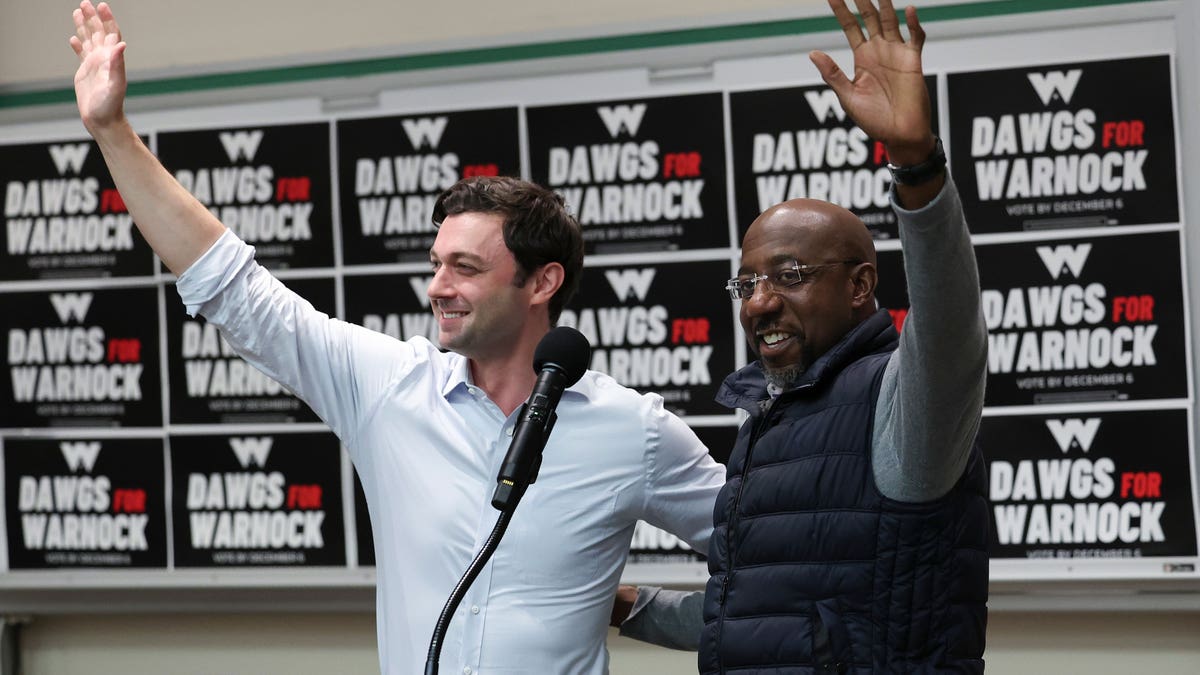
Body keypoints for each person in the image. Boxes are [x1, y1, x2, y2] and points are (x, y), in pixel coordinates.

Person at [68, 3, 725, 674]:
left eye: (465, 268)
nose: (438, 286)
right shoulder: (390, 387)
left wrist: (642, 608)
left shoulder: (632, 429)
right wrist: (112, 130)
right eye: (435, 264)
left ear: (541, 281)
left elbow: (779, 558)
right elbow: (236, 290)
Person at [613, 0, 989, 671]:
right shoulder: (772, 417)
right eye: (747, 283)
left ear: (860, 286)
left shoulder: (898, 406)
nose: (760, 301)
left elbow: (950, 329)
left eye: (788, 275)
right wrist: (627, 606)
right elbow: (759, 613)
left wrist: (915, 163)